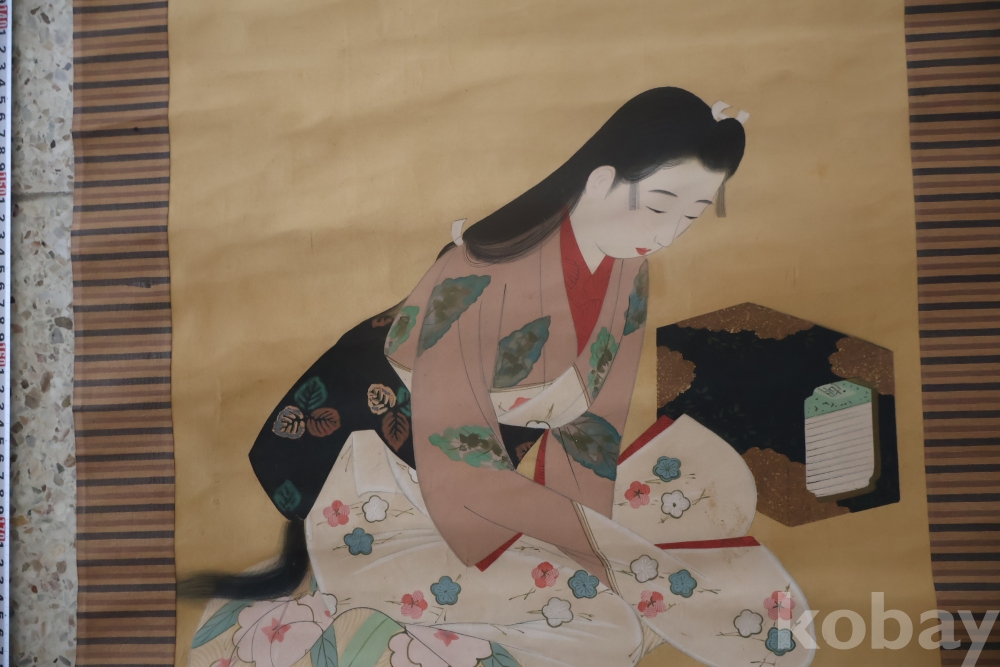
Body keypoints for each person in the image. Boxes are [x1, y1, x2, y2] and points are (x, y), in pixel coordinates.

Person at [185, 88, 816, 667]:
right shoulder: (477, 277)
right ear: (601, 181)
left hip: (488, 482)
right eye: (658, 206)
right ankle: (382, 611)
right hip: (384, 491)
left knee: (713, 480)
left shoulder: (628, 272)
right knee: (608, 632)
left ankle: (565, 584)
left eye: (692, 216)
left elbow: (591, 432)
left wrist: (593, 550)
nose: (668, 233)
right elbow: (458, 468)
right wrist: (621, 560)